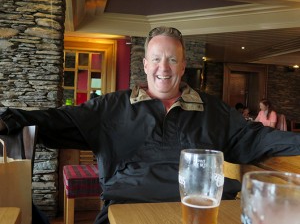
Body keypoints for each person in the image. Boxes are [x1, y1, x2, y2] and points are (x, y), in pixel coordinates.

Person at [1, 26, 300, 224]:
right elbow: (54, 121)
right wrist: (8, 118)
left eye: (172, 60)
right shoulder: (111, 107)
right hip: (125, 211)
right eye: (156, 59)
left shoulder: (215, 111)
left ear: (183, 67)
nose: (164, 68)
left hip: (204, 214)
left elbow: (258, 139)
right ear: (145, 65)